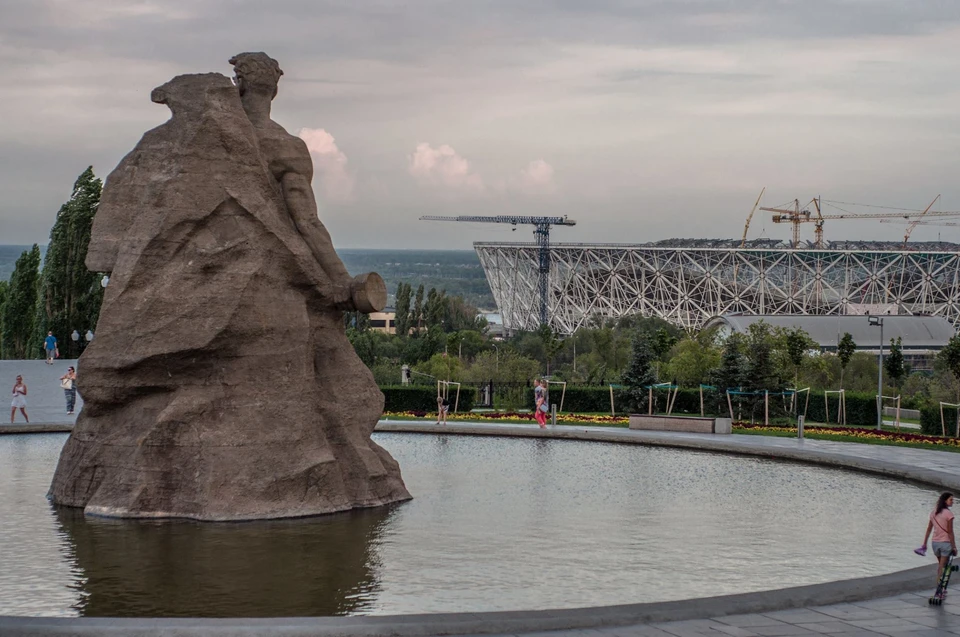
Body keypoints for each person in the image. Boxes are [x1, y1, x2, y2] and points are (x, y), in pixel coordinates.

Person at [919, 492, 957, 585]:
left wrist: (924, 543)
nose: (953, 502)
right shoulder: (949, 514)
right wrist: (954, 547)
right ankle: (939, 587)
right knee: (942, 566)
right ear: (945, 501)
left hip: (935, 543)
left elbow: (928, 529)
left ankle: (941, 584)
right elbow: (950, 532)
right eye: (951, 500)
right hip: (945, 543)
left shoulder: (933, 513)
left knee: (941, 564)